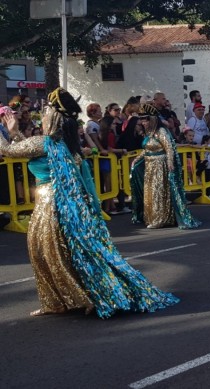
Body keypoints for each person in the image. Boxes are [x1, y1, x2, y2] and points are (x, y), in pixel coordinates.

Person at [0, 88, 178, 318]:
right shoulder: (63, 145)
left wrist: (6, 130)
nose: (42, 115)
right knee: (62, 252)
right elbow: (28, 150)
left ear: (53, 116)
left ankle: (67, 298)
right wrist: (14, 133)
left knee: (48, 253)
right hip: (63, 206)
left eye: (45, 111)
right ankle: (72, 297)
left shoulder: (44, 142)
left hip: (51, 205)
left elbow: (7, 150)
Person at [130, 103, 200, 229]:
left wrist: (169, 162)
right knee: (150, 192)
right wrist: (137, 159)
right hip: (150, 167)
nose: (142, 122)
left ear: (151, 119)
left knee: (158, 192)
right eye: (141, 120)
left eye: (145, 119)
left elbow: (169, 147)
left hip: (159, 166)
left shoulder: (160, 131)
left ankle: (160, 219)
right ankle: (151, 217)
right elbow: (146, 150)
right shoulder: (149, 133)